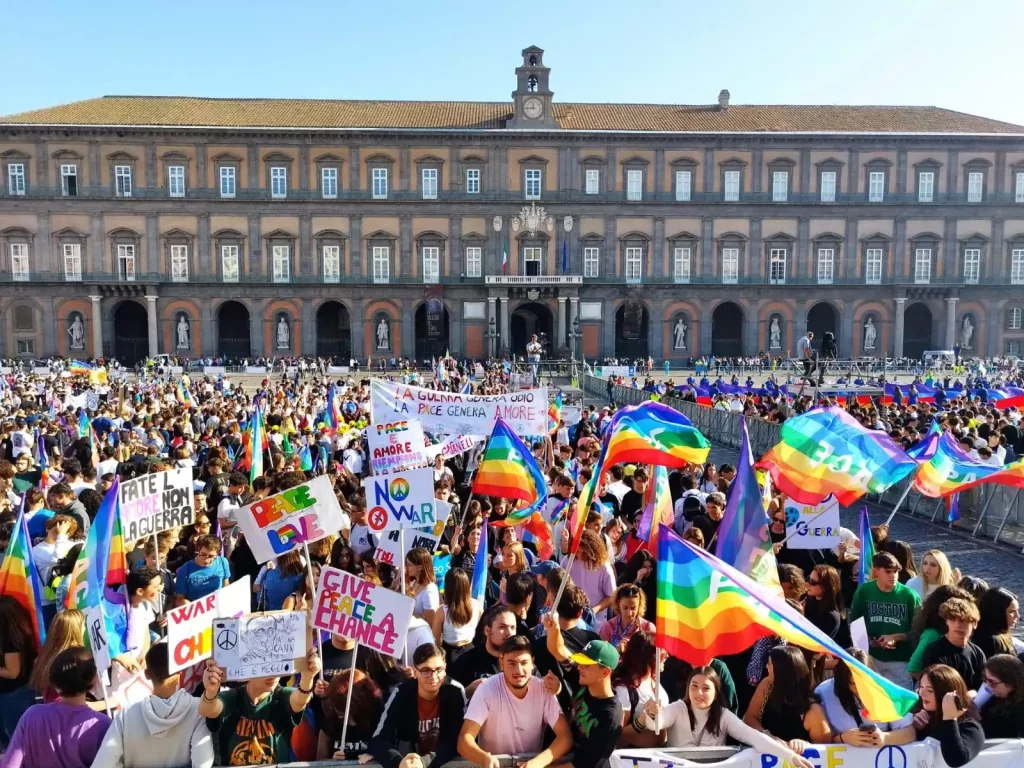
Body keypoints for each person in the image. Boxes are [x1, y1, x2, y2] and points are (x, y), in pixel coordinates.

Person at [642, 666, 813, 768]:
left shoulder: (723, 715)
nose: (698, 693)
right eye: (694, 686)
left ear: (716, 692)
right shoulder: (678, 708)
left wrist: (790, 756)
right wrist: (651, 713)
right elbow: (656, 723)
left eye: (706, 688)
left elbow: (754, 737)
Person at [91, 642, 214, 768]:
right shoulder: (199, 710)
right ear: (180, 675)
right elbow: (203, 763)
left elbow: (102, 764)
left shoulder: (125, 716)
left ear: (147, 674)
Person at [457, 635, 572, 767]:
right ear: (502, 663)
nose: (518, 670)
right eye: (512, 663)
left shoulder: (543, 690)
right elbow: (464, 739)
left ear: (532, 664)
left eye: (524, 663)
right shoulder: (486, 689)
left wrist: (537, 763)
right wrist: (484, 759)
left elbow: (565, 737)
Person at [198, 644, 322, 766]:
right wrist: (210, 691)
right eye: (264, 667)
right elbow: (207, 710)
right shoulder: (232, 698)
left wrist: (308, 677)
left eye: (277, 666)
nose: (272, 674)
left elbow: (300, 700)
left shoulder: (282, 697)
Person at [0, 646, 110, 768]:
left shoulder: (31, 716)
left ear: (54, 681)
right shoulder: (102, 725)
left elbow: (10, 764)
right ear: (92, 681)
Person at [369, 642, 466, 768]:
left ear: (445, 667)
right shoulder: (402, 692)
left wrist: (424, 762)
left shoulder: (455, 691)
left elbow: (457, 740)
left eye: (439, 670)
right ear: (415, 672)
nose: (433, 677)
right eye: (426, 671)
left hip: (443, 763)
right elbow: (380, 738)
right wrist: (399, 762)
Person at [542, 638, 623, 768]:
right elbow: (557, 648)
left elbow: (583, 765)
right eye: (580, 662)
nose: (579, 667)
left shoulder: (611, 716)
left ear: (605, 672)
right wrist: (559, 689)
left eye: (586, 665)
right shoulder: (584, 681)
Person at [848, 551, 921, 689]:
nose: (893, 576)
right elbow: (854, 622)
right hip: (872, 658)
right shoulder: (864, 591)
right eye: (888, 571)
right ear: (876, 572)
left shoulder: (909, 596)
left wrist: (897, 637)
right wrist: (867, 640)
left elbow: (919, 630)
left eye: (895, 571)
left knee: (901, 704)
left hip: (901, 661)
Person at [813, 648, 915, 746]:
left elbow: (910, 733)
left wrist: (884, 738)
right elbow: (819, 741)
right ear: (842, 681)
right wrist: (843, 738)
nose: (860, 689)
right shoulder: (824, 692)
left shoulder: (883, 689)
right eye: (854, 683)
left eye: (864, 683)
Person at [892, 664, 985, 768]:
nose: (922, 693)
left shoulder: (970, 727)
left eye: (930, 690)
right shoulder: (921, 714)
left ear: (946, 693)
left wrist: (950, 719)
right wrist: (913, 727)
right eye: (921, 686)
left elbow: (956, 760)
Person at [742, 646, 832, 747]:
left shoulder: (812, 711)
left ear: (781, 670)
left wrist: (804, 745)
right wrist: (768, 737)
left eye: (770, 663)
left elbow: (825, 750)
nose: (766, 666)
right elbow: (750, 718)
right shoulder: (767, 685)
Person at [919, 597, 987, 691]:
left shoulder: (978, 653)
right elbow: (938, 689)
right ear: (946, 621)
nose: (957, 625)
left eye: (963, 620)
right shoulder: (934, 651)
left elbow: (983, 685)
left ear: (974, 624)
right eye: (952, 619)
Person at [449, 605, 516, 693]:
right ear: (487, 631)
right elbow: (450, 700)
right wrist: (468, 692)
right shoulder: (466, 662)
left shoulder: (520, 661)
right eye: (502, 627)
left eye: (513, 627)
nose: (509, 633)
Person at [0, 596, 38, 749]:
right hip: (16, 693)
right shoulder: (19, 633)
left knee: (18, 741)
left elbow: (12, 672)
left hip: (14, 695)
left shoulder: (11, 640)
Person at [318, 669, 382, 761]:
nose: (337, 709)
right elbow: (319, 760)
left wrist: (375, 758)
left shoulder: (378, 723)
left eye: (341, 704)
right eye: (334, 703)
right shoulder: (330, 724)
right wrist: (332, 762)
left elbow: (392, 756)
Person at [431, 568, 482, 662]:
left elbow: (435, 640)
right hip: (471, 651)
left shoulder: (442, 611)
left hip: (450, 655)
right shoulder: (477, 605)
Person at [174, 535, 231, 606]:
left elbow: (226, 586)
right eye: (203, 554)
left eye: (211, 556)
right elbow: (179, 599)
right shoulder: (184, 570)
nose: (206, 560)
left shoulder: (223, 562)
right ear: (198, 550)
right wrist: (186, 604)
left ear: (217, 554)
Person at [979, 654, 1024, 739]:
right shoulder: (992, 698)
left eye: (992, 682)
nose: (987, 685)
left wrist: (977, 720)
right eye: (985, 679)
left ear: (1010, 683)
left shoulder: (1020, 712)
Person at [599, 583, 654, 652]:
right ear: (618, 603)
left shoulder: (648, 628)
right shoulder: (608, 627)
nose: (629, 613)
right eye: (625, 608)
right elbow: (601, 655)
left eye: (633, 608)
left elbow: (656, 656)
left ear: (639, 604)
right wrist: (615, 651)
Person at [973, 587, 1020, 658]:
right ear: (997, 613)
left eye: (1017, 610)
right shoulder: (991, 641)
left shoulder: (999, 633)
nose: (1017, 616)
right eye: (1012, 611)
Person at [406, 547, 440, 627]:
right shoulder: (413, 583)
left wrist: (407, 608)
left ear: (420, 567)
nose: (407, 568)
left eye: (409, 565)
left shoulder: (430, 590)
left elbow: (430, 623)